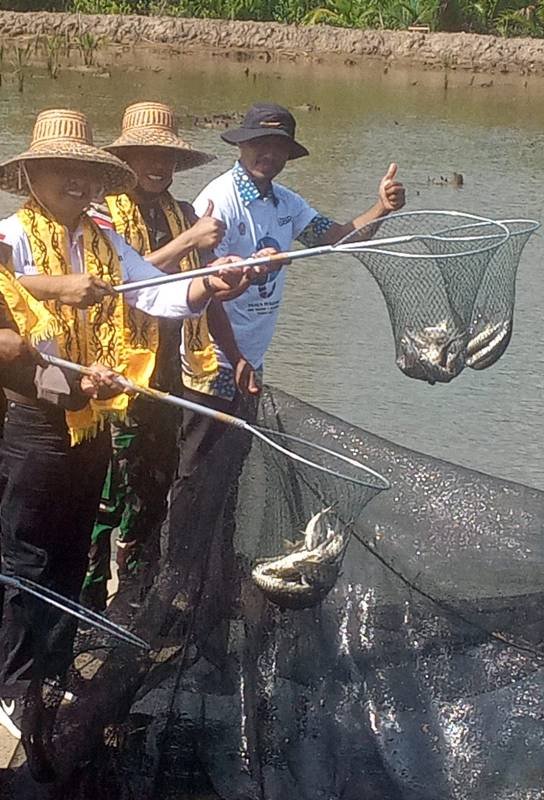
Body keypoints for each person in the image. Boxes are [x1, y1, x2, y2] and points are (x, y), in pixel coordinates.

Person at [0, 108, 250, 739]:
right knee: (26, 556)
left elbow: (153, 292)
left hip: (92, 419)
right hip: (32, 420)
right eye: (61, 172)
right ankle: (14, 685)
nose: (77, 185)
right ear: (30, 176)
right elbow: (12, 301)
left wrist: (210, 287)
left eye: (86, 174)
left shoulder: (105, 241)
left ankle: (53, 670)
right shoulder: (10, 235)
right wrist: (54, 286)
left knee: (69, 551)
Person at [180, 102, 405, 477]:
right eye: (260, 143)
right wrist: (236, 356)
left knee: (231, 470)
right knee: (195, 471)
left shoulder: (285, 202)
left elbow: (336, 239)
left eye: (278, 146)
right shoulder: (218, 202)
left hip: (250, 359)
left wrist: (381, 208)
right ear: (242, 145)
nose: (268, 154)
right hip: (212, 360)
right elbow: (204, 293)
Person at [81, 101, 226, 611]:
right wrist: (189, 240)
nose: (157, 166)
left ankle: (135, 598)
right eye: (146, 155)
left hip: (168, 369)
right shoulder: (99, 213)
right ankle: (89, 597)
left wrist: (235, 270)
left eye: (166, 157)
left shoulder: (183, 211)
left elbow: (197, 286)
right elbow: (124, 281)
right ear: (125, 160)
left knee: (154, 484)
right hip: (113, 372)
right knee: (106, 492)